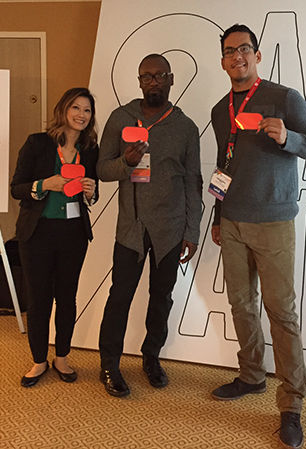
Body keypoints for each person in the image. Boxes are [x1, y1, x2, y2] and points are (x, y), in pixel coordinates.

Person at [209, 25, 306, 449]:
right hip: (235, 221)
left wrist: (288, 136)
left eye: (244, 49)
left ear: (256, 55)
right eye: (228, 51)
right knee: (241, 304)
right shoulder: (219, 108)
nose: (236, 56)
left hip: (275, 222)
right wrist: (219, 216)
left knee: (282, 314)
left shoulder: (283, 97)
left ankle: (291, 405)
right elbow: (226, 166)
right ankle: (252, 375)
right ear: (222, 61)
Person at [97, 53, 202, 397]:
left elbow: (192, 181)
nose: (153, 82)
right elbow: (101, 170)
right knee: (120, 298)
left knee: (162, 298)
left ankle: (151, 358)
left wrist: (191, 230)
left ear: (171, 80)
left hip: (170, 231)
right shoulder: (120, 118)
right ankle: (109, 364)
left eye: (160, 76)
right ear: (139, 81)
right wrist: (125, 163)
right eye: (147, 76)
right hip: (131, 228)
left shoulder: (185, 127)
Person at [11, 87, 99, 388]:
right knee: (38, 299)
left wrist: (92, 191)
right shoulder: (38, 143)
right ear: (62, 110)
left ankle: (61, 357)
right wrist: (45, 183)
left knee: (66, 298)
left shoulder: (90, 149)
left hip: (73, 234)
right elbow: (17, 188)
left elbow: (94, 191)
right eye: (76, 108)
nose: (81, 115)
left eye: (87, 110)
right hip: (37, 233)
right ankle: (38, 361)